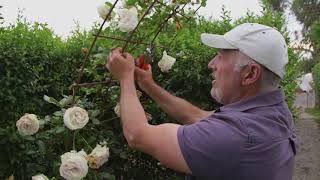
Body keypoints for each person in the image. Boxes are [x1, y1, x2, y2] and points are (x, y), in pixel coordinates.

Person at [106, 23, 296, 180]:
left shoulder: (237, 135)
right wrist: (147, 84)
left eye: (221, 56)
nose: (211, 64)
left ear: (250, 74)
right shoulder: (272, 112)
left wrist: (125, 77)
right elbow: (195, 116)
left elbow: (138, 135)